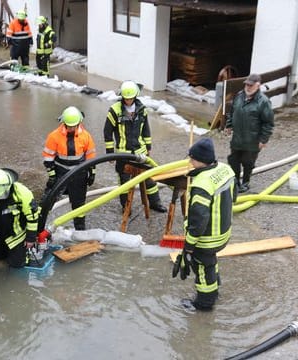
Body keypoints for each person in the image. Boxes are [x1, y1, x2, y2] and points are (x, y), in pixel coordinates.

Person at [172, 138, 237, 311]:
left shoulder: (202, 184)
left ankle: (204, 303)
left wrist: (190, 245)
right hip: (223, 232)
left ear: (200, 160)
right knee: (210, 263)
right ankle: (214, 290)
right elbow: (234, 197)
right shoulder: (226, 170)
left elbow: (198, 220)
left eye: (191, 158)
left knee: (201, 266)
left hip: (207, 239)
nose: (189, 161)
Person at [103, 80, 167, 213]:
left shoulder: (141, 109)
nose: (128, 101)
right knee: (125, 183)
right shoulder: (115, 110)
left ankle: (155, 203)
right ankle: (126, 206)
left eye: (130, 98)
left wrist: (148, 146)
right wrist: (110, 152)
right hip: (123, 154)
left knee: (149, 179)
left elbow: (146, 129)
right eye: (126, 98)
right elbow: (107, 132)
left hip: (140, 152)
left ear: (135, 96)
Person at [42, 106, 96, 230]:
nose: (71, 128)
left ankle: (80, 228)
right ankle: (38, 225)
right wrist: (51, 175)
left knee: (79, 203)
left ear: (79, 123)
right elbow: (48, 157)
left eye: (74, 126)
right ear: (64, 123)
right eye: (69, 126)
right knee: (48, 199)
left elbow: (91, 156)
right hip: (60, 172)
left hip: (79, 173)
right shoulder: (54, 136)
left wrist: (92, 172)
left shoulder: (86, 136)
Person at [225, 73, 274, 193]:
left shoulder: (263, 102)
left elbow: (268, 123)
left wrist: (264, 139)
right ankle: (236, 181)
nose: (247, 87)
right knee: (233, 160)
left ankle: (246, 182)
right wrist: (229, 125)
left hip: (252, 139)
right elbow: (232, 112)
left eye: (251, 85)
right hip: (237, 138)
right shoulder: (239, 96)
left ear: (258, 85)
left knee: (248, 162)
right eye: (246, 84)